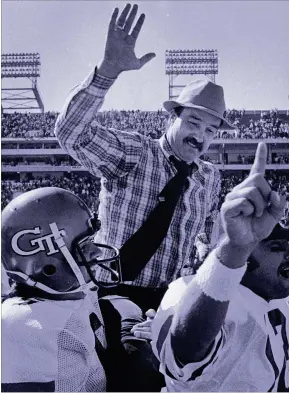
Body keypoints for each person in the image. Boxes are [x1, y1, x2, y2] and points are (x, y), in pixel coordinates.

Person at [54, 3, 235, 312]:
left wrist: (208, 249)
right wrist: (108, 69)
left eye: (210, 130)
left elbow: (207, 227)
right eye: (193, 122)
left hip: (170, 300)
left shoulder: (209, 176)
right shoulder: (136, 153)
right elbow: (70, 132)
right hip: (111, 293)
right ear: (172, 117)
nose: (200, 136)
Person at [151, 142, 289, 392]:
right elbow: (185, 354)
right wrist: (235, 249)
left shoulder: (279, 299)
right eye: (278, 245)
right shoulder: (191, 292)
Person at [1, 187, 163, 392]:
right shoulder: (35, 329)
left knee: (124, 306)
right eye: (84, 244)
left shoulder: (66, 293)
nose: (95, 251)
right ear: (48, 261)